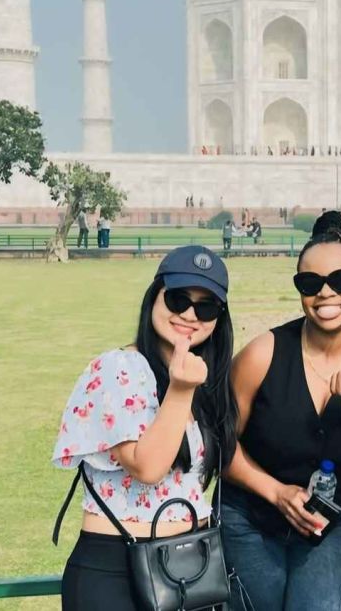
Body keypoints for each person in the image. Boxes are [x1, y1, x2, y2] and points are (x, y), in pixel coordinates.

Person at [220, 212, 341, 611]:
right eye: (310, 283)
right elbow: (219, 445)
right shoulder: (263, 354)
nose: (325, 293)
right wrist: (276, 492)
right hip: (251, 517)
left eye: (340, 280)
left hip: (333, 522)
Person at [52, 246, 238, 610]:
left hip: (193, 569)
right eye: (177, 299)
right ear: (154, 297)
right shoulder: (118, 368)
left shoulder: (208, 379)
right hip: (116, 569)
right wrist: (180, 389)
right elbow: (148, 466)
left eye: (206, 308)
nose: (189, 314)